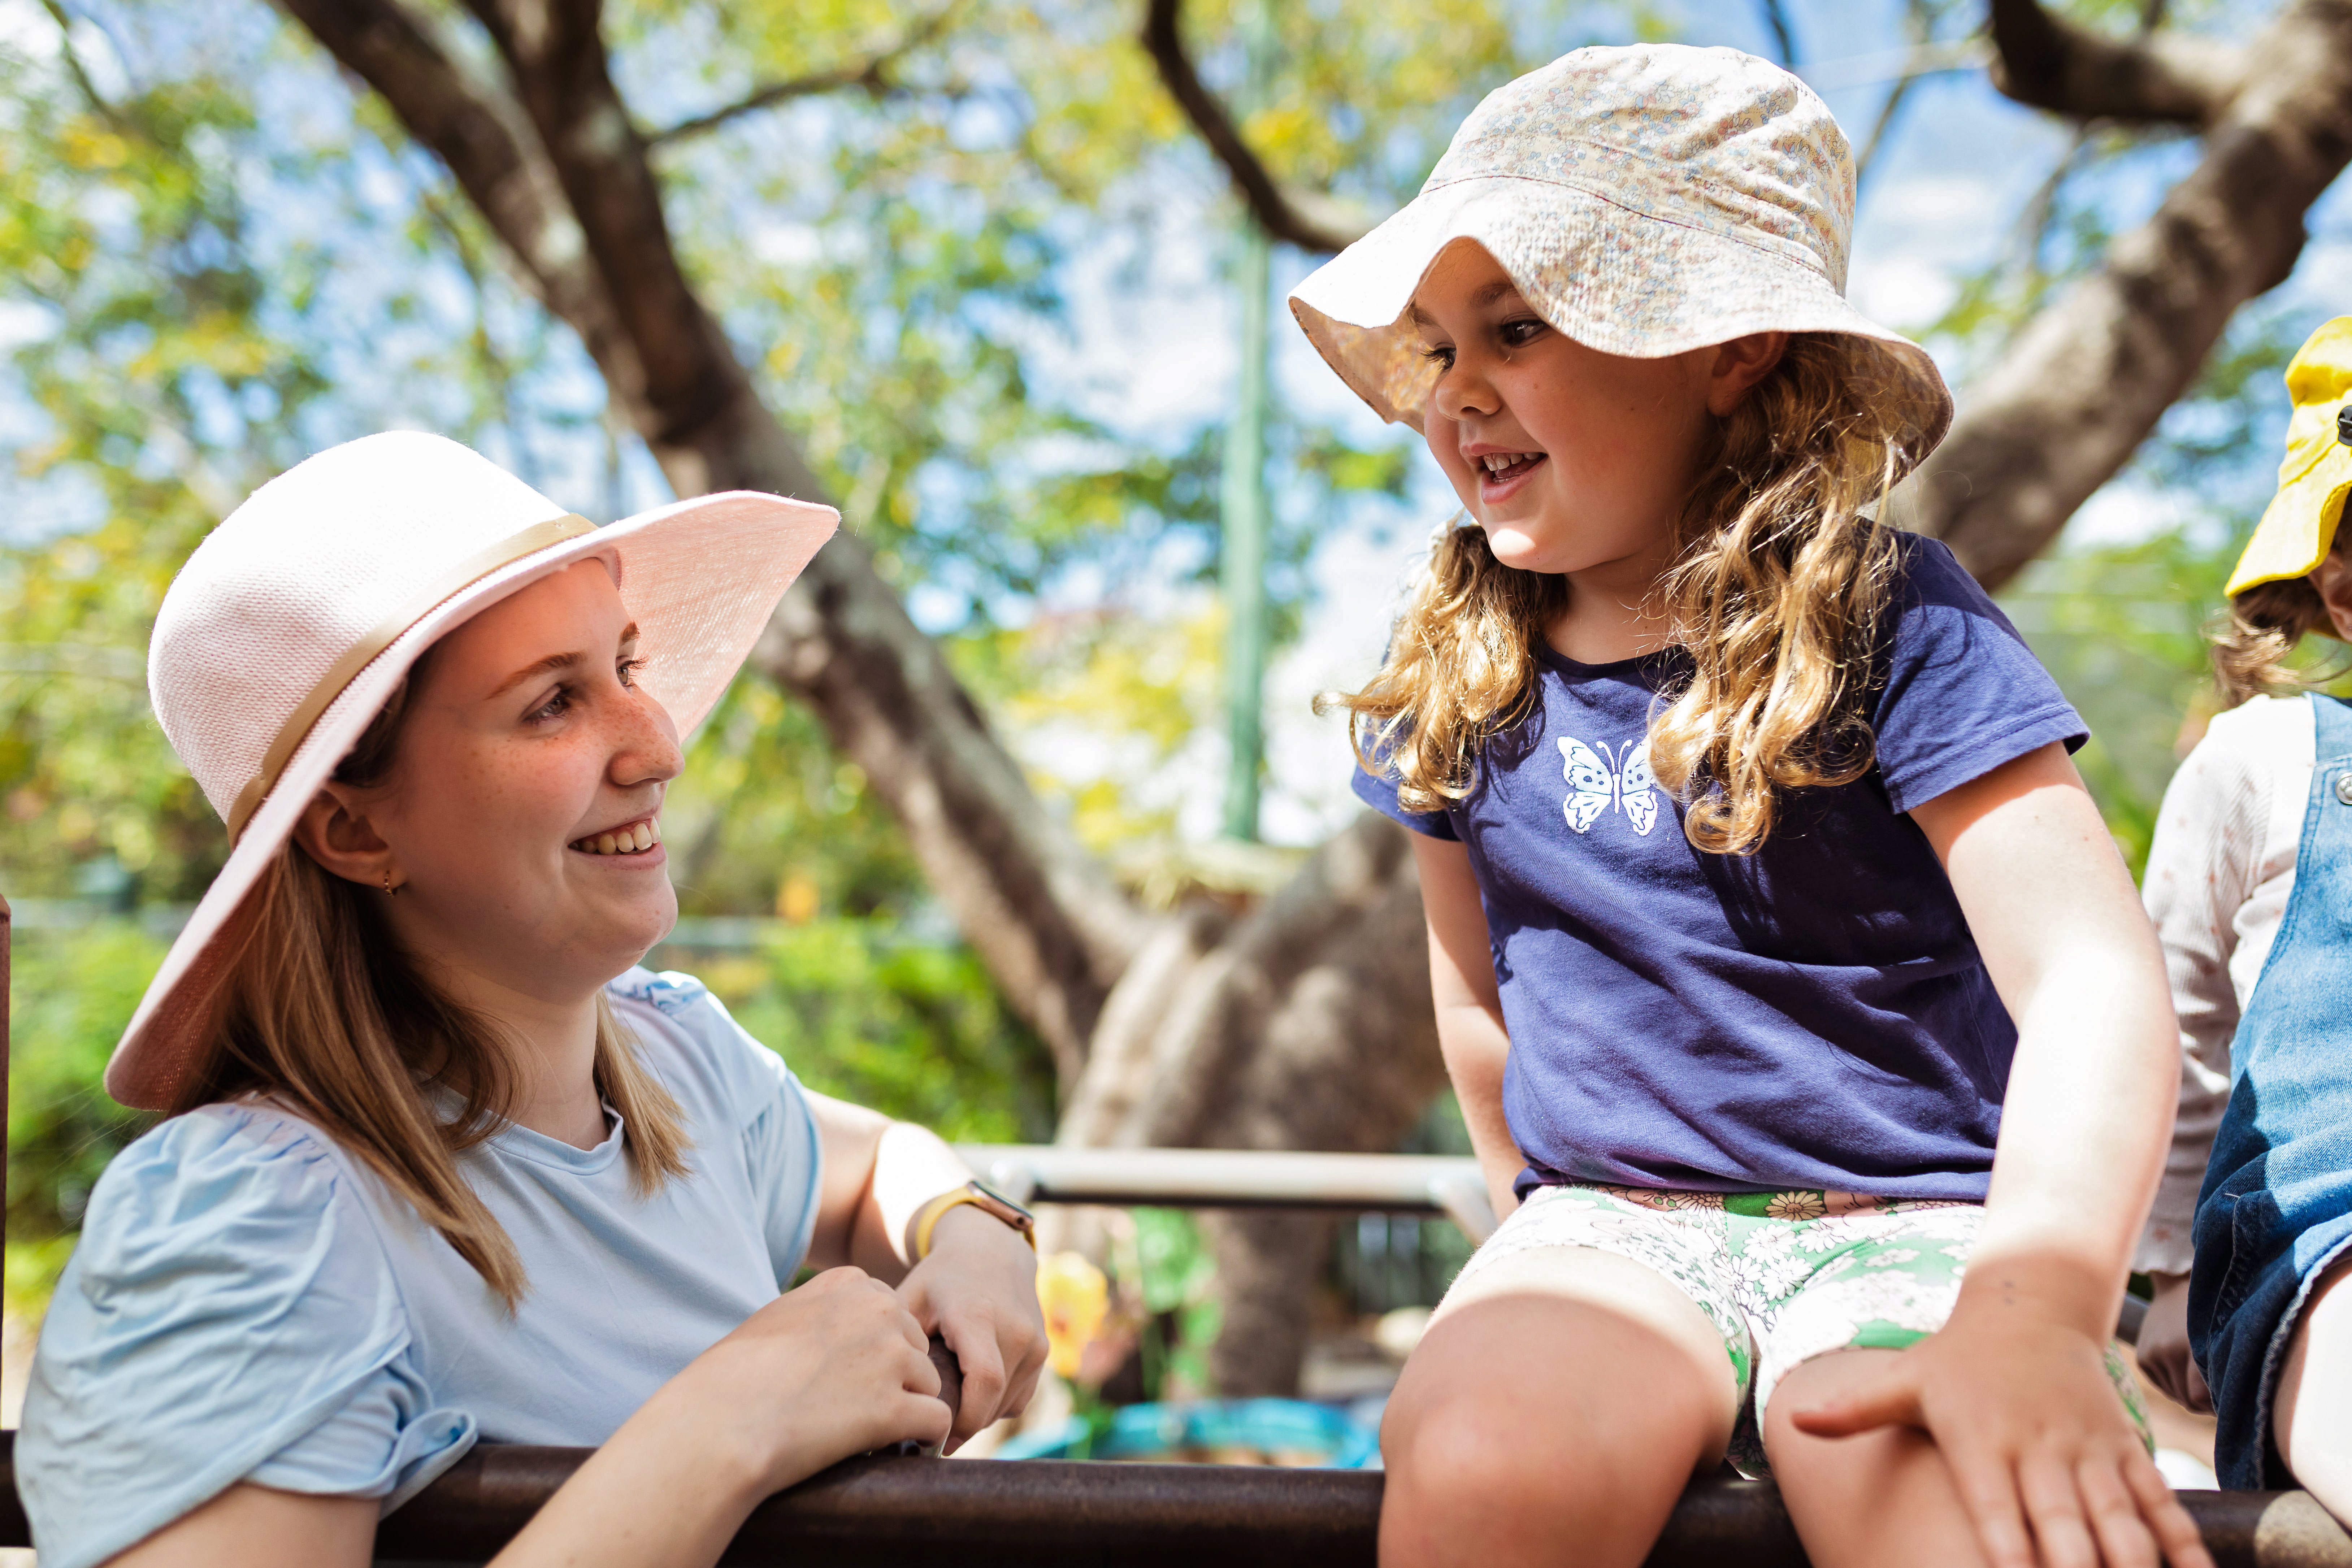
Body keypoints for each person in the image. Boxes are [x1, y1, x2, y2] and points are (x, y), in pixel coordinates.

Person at [1294, 44, 2206, 1568]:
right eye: (1440, 347)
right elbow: (1480, 1007)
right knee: (1483, 1458)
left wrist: (2035, 1309)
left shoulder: (1890, 615)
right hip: (1608, 1224)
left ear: (1730, 352)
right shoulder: (1459, 654)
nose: (1461, 393)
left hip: (1917, 1216)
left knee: (1945, 1491)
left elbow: (2098, 985)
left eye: (1519, 327)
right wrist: (1531, 1228)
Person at [17, 433, 1048, 1568]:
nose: (657, 747)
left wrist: (975, 1234)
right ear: (356, 830)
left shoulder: (672, 1064)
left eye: (628, 666)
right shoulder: (250, 1229)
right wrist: (727, 1427)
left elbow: (877, 1164)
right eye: (552, 703)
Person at [2128, 317, 2352, 1513]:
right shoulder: (2272, 757)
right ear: (2343, 588)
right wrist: (2168, 1267)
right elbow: (2178, 1026)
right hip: (2331, 1230)